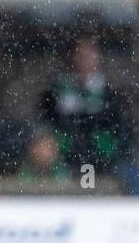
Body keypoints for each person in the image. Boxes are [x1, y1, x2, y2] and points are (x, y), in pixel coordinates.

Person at [39, 35, 130, 171]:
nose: (85, 60)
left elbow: (117, 125)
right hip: (65, 153)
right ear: (73, 58)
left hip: (99, 154)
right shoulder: (58, 89)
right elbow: (47, 118)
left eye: (89, 55)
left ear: (97, 59)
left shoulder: (108, 93)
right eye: (80, 55)